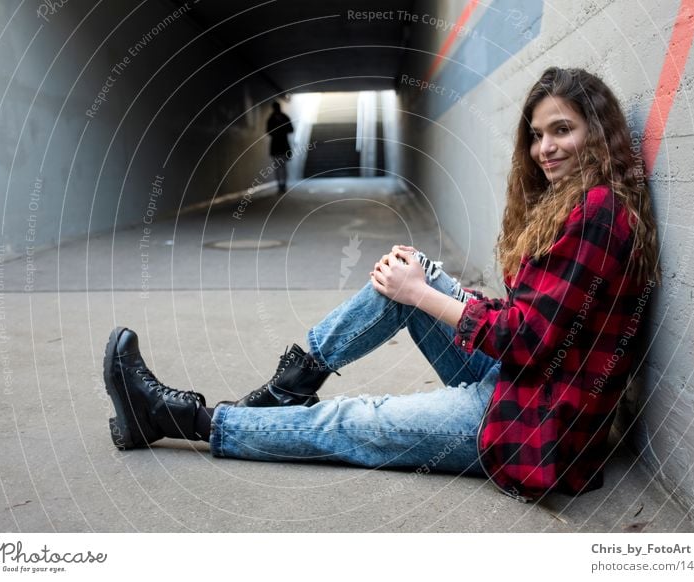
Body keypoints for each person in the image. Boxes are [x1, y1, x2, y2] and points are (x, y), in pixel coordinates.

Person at [104, 67, 661, 501]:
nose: (545, 148)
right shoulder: (579, 206)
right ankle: (288, 389)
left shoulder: (597, 212)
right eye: (538, 134)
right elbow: (536, 319)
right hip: (526, 379)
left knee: (353, 423)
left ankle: (179, 419)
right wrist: (424, 286)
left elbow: (526, 338)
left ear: (599, 132)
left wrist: (422, 295)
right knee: (411, 265)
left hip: (532, 419)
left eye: (562, 130)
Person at [266, 101, 294, 194]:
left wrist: (280, 130)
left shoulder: (275, 118)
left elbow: (291, 129)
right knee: (280, 167)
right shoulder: (276, 118)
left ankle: (282, 185)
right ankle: (281, 185)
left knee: (280, 167)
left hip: (280, 145)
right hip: (279, 146)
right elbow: (269, 131)